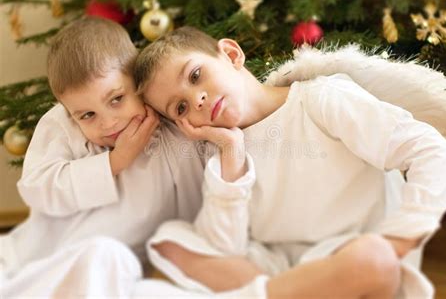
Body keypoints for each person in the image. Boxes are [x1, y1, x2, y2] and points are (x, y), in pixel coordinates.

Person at [133, 26, 446, 298]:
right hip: (281, 268)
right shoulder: (219, 152)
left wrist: (402, 238)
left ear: (232, 55)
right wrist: (231, 156)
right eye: (180, 108)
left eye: (195, 76)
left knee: (372, 258)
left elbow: (427, 147)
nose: (197, 99)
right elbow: (225, 246)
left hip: (350, 256)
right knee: (171, 243)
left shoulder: (319, 99)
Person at [0, 18, 256, 296]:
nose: (108, 122)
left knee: (110, 261)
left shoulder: (177, 130)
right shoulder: (63, 124)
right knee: (102, 256)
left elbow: (202, 211)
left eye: (116, 99)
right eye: (87, 115)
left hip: (113, 272)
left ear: (136, 82)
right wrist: (115, 162)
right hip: (36, 264)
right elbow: (37, 189)